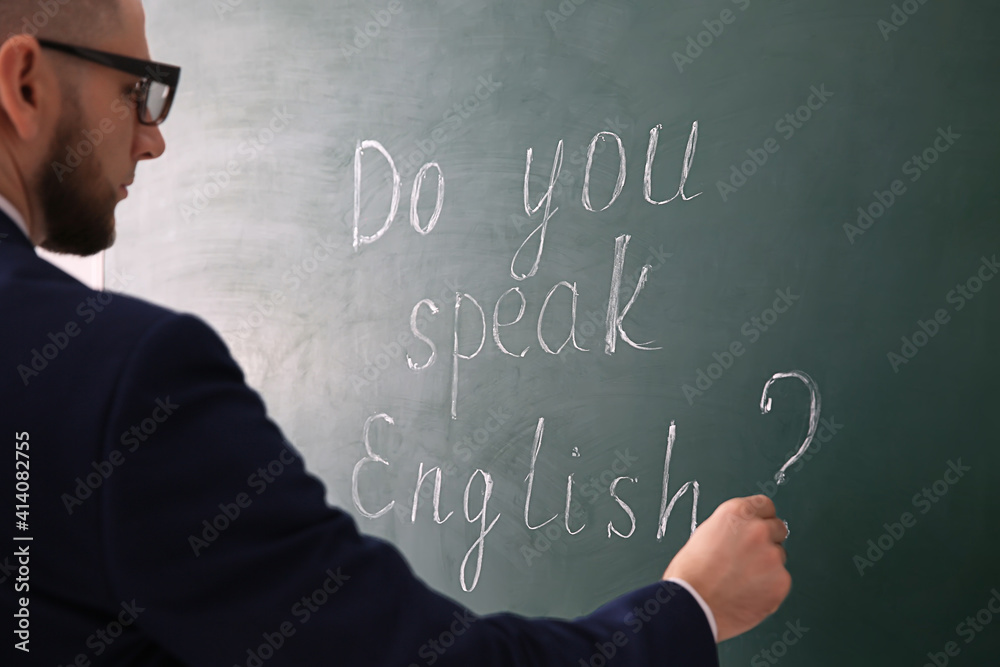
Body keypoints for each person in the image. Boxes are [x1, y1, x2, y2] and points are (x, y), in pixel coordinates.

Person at [0, 1, 791, 664]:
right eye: (137, 89)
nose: (153, 135)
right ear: (25, 83)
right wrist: (690, 607)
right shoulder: (124, 377)